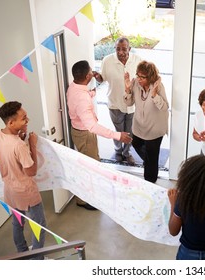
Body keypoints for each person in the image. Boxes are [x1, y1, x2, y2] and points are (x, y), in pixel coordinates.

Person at [67, 60, 132, 210]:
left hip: (80, 131)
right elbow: (92, 126)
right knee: (90, 167)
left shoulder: (74, 87)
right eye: (90, 71)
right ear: (87, 75)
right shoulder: (82, 99)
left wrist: (93, 92)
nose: (92, 72)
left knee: (89, 165)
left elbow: (82, 96)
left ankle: (88, 195)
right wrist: (117, 135)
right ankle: (83, 200)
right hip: (85, 134)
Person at [0, 101, 46, 259]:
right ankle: (37, 258)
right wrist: (32, 145)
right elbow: (31, 171)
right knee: (39, 225)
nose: (27, 120)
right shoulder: (19, 146)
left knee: (17, 222)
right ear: (11, 122)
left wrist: (19, 139)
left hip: (10, 191)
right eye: (24, 118)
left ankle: (22, 252)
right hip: (27, 193)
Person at [93, 37, 142, 165]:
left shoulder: (138, 60)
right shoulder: (107, 60)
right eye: (118, 49)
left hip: (132, 105)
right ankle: (118, 151)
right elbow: (102, 79)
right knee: (118, 130)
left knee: (130, 131)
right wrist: (97, 77)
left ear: (129, 49)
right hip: (115, 103)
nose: (120, 52)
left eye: (124, 49)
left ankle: (127, 153)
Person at [124, 60, 169, 183]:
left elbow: (165, 107)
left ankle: (150, 182)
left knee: (151, 157)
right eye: (138, 75)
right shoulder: (135, 83)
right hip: (139, 126)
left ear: (150, 77)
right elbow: (129, 103)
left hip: (155, 128)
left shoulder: (158, 87)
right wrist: (127, 90)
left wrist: (154, 95)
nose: (139, 79)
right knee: (136, 144)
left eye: (142, 77)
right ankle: (151, 163)